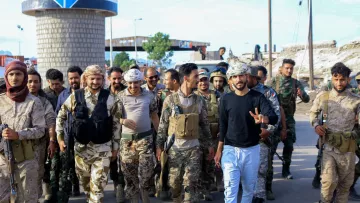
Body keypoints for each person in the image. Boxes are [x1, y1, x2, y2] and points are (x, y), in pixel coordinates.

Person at [56, 65, 122, 202]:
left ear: (103, 79)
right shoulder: (75, 96)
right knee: (87, 188)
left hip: (103, 150)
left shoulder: (111, 99)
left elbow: (116, 125)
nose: (95, 82)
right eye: (92, 79)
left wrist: (115, 148)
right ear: (85, 79)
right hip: (81, 151)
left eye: (99, 79)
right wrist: (60, 137)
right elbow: (60, 117)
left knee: (97, 190)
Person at [214, 63, 278, 203]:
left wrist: (263, 118)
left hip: (252, 151)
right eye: (234, 77)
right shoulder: (225, 99)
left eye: (241, 76)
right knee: (230, 191)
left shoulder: (258, 97)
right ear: (230, 80)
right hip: (230, 150)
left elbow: (274, 117)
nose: (238, 80)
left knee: (249, 190)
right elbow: (223, 125)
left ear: (247, 77)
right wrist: (219, 150)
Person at [156, 63, 214, 203]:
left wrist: (209, 146)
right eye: (195, 76)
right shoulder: (170, 100)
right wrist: (159, 146)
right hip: (175, 150)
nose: (198, 80)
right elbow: (163, 125)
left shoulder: (199, 100)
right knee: (174, 185)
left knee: (191, 186)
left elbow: (204, 125)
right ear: (186, 78)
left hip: (194, 150)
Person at [310, 62, 360, 203]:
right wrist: (315, 125)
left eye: (342, 79)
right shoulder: (323, 97)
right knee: (328, 182)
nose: (339, 83)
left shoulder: (356, 101)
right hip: (329, 147)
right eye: (336, 79)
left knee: (344, 186)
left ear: (348, 80)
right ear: (332, 78)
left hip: (348, 149)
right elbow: (313, 114)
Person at [0, 61, 46, 202]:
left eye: (18, 74)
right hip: (2, 159)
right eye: (11, 74)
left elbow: (40, 130)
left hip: (26, 158)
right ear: (6, 77)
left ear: (24, 76)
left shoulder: (34, 101)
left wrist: (18, 134)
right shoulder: (0, 101)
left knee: (27, 199)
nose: (15, 78)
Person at [117, 68, 159, 203]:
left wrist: (160, 136)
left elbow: (154, 116)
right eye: (130, 83)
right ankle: (134, 200)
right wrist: (123, 121)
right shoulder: (120, 96)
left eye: (136, 83)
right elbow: (114, 117)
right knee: (129, 175)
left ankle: (145, 197)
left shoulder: (149, 96)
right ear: (126, 82)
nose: (133, 86)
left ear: (141, 81)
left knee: (146, 173)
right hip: (127, 142)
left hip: (145, 139)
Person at [267, 59, 310, 179]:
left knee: (289, 145)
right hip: (275, 118)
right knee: (271, 146)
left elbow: (306, 99)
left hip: (289, 119)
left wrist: (302, 94)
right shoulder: (273, 82)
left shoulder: (296, 83)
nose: (289, 70)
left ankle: (286, 169)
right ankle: (268, 171)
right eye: (287, 68)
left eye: (291, 68)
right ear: (281, 68)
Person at [247, 66, 281, 203]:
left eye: (247, 76)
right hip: (244, 137)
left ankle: (260, 195)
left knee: (261, 168)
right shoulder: (240, 92)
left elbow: (276, 114)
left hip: (262, 136)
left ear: (255, 78)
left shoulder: (268, 92)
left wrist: (268, 130)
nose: (244, 78)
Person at [27, 68, 58, 201]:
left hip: (39, 143)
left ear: (40, 83)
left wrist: (51, 141)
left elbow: (51, 121)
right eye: (29, 81)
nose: (32, 84)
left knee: (38, 173)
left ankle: (40, 196)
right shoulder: (16, 99)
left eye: (35, 82)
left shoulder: (45, 101)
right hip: (18, 144)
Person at [54, 66, 83, 202]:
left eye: (76, 78)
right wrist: (59, 138)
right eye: (71, 78)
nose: (73, 81)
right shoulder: (63, 95)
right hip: (66, 136)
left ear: (81, 78)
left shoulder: (86, 94)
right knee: (65, 166)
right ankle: (64, 196)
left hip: (83, 138)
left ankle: (79, 186)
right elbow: (58, 117)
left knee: (81, 166)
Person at [194, 71, 221, 201]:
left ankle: (207, 189)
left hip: (214, 136)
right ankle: (198, 190)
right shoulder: (193, 97)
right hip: (198, 137)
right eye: (200, 80)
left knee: (210, 165)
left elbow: (224, 115)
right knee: (197, 165)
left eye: (205, 80)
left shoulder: (217, 95)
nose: (203, 83)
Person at [107, 66, 126, 203]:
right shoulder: (103, 94)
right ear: (109, 79)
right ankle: (116, 184)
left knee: (124, 162)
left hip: (125, 133)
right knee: (113, 162)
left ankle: (121, 189)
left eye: (119, 78)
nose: (117, 81)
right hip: (108, 134)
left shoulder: (127, 92)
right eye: (114, 78)